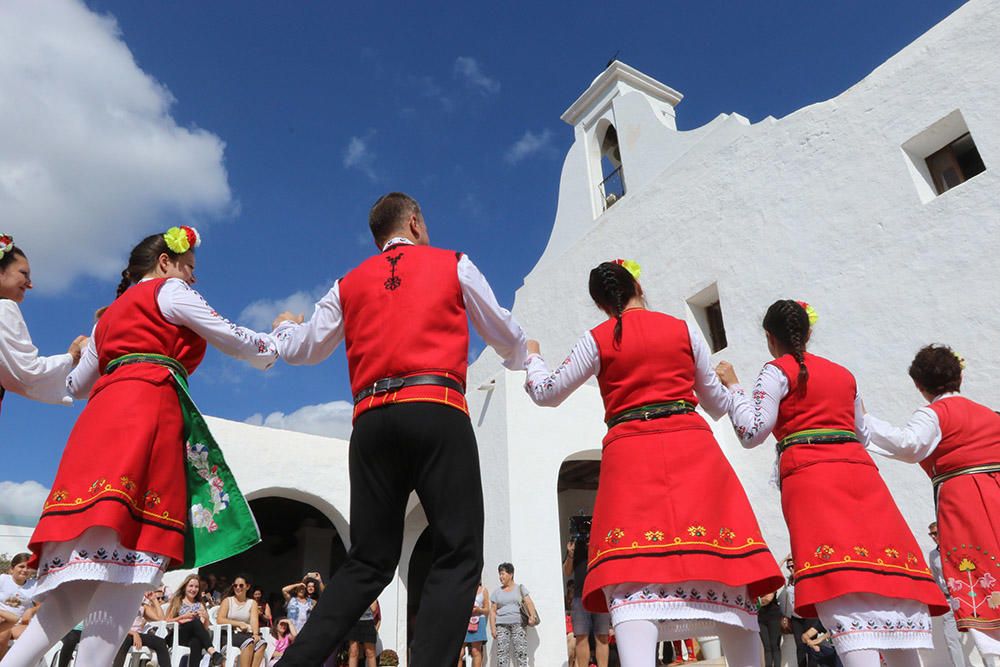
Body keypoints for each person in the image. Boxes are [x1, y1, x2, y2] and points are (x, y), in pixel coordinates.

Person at [1, 227, 278, 667]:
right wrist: (275, 343)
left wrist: (79, 351)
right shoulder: (169, 291)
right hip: (146, 417)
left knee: (69, 597)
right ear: (165, 263)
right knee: (129, 567)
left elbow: (76, 383)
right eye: (189, 269)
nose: (192, 280)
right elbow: (230, 334)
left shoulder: (107, 316)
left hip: (98, 427)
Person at [271, 192, 529, 666]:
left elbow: (305, 347)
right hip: (436, 407)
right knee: (458, 551)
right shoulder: (453, 263)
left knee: (368, 561)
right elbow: (504, 332)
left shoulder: (347, 283)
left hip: (371, 420)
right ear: (414, 222)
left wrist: (287, 328)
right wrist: (522, 356)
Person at [524, 260, 783, 667]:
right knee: (727, 571)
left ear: (601, 304)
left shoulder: (598, 337)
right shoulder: (683, 329)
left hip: (630, 457)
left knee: (632, 578)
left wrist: (533, 357)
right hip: (693, 449)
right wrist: (733, 385)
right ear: (637, 284)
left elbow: (546, 391)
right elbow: (715, 403)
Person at [716, 299, 948, 667]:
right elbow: (861, 429)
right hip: (861, 475)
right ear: (808, 333)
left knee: (840, 586)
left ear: (770, 338)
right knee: (888, 585)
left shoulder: (776, 371)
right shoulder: (844, 374)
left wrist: (734, 389)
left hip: (811, 478)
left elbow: (751, 431)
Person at [864, 344, 1000, 663]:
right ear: (960, 375)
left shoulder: (934, 414)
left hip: (965, 502)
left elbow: (909, 445)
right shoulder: (991, 415)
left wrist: (863, 421)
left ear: (919, 385)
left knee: (977, 577)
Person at [0, 234, 87, 415]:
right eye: (23, 274)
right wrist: (71, 357)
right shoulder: (3, 307)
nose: (30, 284)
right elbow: (27, 373)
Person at [926, 522, 969, 667]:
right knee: (951, 638)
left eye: (935, 533)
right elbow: (935, 576)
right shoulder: (933, 555)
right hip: (948, 599)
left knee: (979, 634)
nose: (933, 537)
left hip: (966, 598)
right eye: (931, 534)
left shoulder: (958, 549)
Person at [563, 537, 610, 667]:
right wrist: (571, 554)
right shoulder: (576, 546)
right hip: (580, 597)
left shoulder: (601, 541)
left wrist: (593, 547)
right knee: (581, 637)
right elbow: (567, 572)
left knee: (602, 637)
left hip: (600, 595)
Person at [164, 574, 224, 666]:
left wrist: (207, 618)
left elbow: (203, 628)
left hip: (192, 638)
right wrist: (183, 617)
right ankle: (213, 652)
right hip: (177, 636)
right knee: (195, 622)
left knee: (196, 641)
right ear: (185, 587)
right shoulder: (178, 601)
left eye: (196, 587)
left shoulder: (199, 604)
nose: (193, 589)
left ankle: (212, 653)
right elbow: (166, 621)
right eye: (191, 586)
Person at [489, 563, 537, 667]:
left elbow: (529, 602)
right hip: (501, 625)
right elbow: (492, 611)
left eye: (503, 574)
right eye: (499, 574)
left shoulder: (520, 588)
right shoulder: (497, 592)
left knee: (521, 652)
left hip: (518, 624)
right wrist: (493, 628)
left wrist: (532, 616)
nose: (500, 577)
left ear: (511, 574)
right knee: (502, 654)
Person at [110, 588, 172, 667]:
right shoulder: (121, 602)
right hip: (124, 634)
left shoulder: (142, 606)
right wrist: (133, 633)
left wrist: (154, 600)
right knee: (125, 640)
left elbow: (161, 619)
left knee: (160, 642)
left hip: (138, 636)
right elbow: (116, 624)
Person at [218, 574, 267, 667]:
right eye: (235, 585)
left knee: (261, 643)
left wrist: (256, 634)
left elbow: (254, 620)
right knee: (249, 642)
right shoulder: (228, 601)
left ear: (247, 587)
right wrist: (238, 624)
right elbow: (220, 619)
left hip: (246, 634)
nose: (237, 588)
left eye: (241, 585)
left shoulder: (252, 603)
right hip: (230, 634)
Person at [0, 554, 38, 660]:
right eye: (21, 566)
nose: (25, 570)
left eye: (28, 567)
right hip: (3, 621)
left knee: (33, 639)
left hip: (20, 623)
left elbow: (41, 605)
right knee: (3, 636)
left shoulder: (34, 585)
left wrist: (31, 610)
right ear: (12, 569)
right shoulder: (3, 579)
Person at [458, 582, 489, 667]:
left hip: (478, 621)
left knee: (476, 651)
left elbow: (487, 610)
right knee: (459, 653)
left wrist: (479, 610)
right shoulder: (463, 588)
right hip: (463, 621)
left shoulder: (483, 590)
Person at [346, 601, 379, 667]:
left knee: (370, 653)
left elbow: (374, 608)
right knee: (353, 652)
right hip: (353, 622)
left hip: (368, 621)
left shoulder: (369, 590)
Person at [757, 588, 783, 667]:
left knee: (775, 646)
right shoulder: (756, 583)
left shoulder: (772, 581)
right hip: (760, 617)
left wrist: (757, 600)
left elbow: (768, 598)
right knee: (766, 647)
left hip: (774, 616)